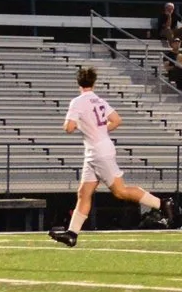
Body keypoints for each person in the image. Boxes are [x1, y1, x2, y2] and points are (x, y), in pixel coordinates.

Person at [49, 67, 166, 247]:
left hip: (98, 153)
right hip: (96, 151)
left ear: (78, 83)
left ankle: (163, 204)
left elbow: (69, 127)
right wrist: (101, 130)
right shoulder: (99, 100)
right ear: (94, 82)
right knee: (83, 193)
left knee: (120, 191)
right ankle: (72, 234)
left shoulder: (78, 102)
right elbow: (117, 120)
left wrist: (73, 125)